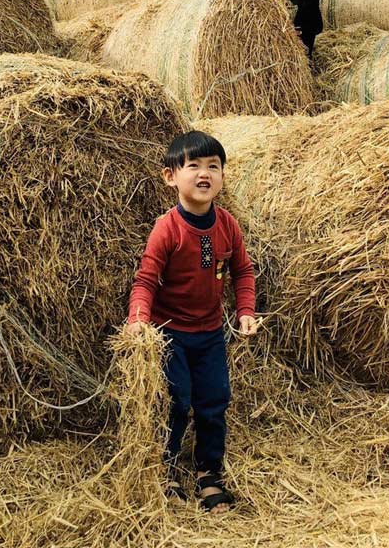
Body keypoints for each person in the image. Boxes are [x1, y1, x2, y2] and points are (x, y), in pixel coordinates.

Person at [128, 130, 258, 512]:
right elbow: (146, 279)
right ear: (171, 176)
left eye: (213, 167)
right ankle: (165, 470)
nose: (205, 174)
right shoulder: (166, 228)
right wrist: (139, 319)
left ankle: (208, 474)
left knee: (214, 401)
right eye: (194, 166)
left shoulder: (227, 225)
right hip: (171, 335)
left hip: (211, 335)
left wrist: (245, 312)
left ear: (222, 176)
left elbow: (243, 272)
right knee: (176, 400)